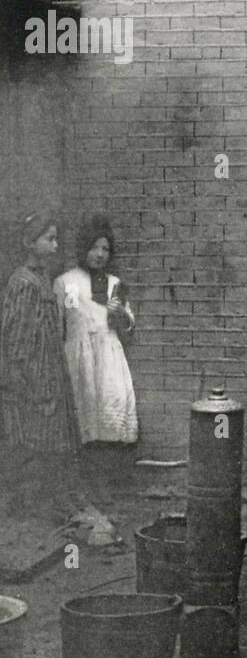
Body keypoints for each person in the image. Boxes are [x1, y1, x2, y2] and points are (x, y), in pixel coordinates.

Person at [0, 214, 80, 518]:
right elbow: (17, 335)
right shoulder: (23, 282)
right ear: (29, 243)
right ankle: (26, 504)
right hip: (33, 373)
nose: (55, 245)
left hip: (49, 368)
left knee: (53, 439)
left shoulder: (42, 277)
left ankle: (52, 501)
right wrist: (26, 378)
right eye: (49, 238)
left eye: (56, 238)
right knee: (34, 440)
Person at [54, 215, 138, 449]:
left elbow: (128, 324)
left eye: (105, 249)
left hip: (109, 357)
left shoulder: (115, 284)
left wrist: (119, 312)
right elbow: (64, 320)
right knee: (84, 408)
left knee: (113, 402)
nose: (100, 254)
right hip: (80, 357)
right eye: (94, 248)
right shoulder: (67, 282)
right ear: (83, 248)